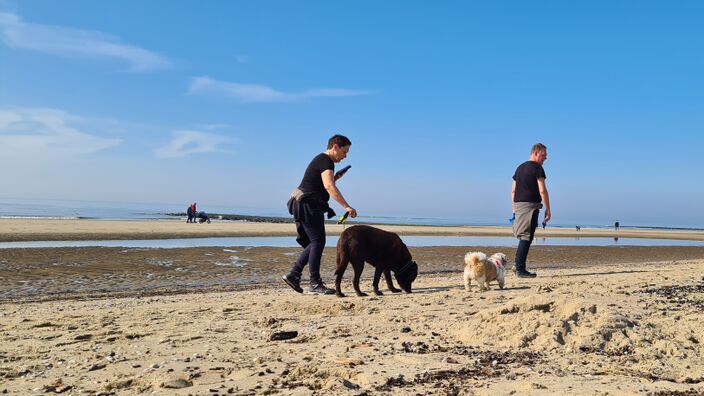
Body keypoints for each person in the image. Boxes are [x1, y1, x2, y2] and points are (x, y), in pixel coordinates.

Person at [282, 134, 357, 295]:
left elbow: (322, 184)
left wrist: (336, 177)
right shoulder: (325, 160)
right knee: (318, 242)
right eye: (345, 151)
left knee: (315, 243)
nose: (345, 156)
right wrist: (346, 206)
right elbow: (329, 186)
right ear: (335, 147)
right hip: (306, 204)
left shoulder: (324, 162)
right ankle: (314, 283)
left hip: (304, 203)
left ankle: (294, 274)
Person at [511, 143, 551, 278]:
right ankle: (520, 269)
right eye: (543, 156)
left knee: (524, 235)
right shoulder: (537, 168)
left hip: (519, 205)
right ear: (536, 153)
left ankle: (517, 265)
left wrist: (514, 208)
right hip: (530, 206)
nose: (545, 159)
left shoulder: (519, 168)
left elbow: (513, 190)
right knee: (526, 237)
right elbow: (542, 190)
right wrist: (548, 208)